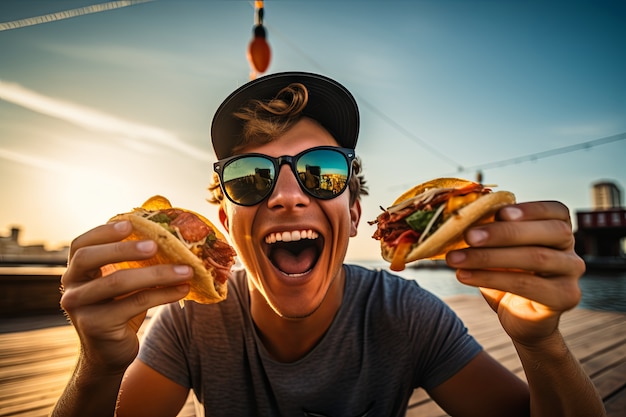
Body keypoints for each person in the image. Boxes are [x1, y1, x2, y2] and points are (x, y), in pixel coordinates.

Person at [52, 72, 605, 417]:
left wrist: (541, 344)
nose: (288, 197)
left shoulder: (407, 315)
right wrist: (98, 368)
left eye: (321, 171)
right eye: (250, 177)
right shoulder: (189, 324)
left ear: (357, 213)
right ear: (225, 222)